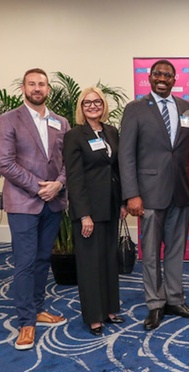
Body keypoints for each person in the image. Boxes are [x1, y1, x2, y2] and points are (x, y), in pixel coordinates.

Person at [119, 59, 189, 331]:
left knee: (177, 250)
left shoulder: (188, 108)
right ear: (150, 78)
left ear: (175, 79)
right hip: (148, 194)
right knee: (151, 252)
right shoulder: (136, 109)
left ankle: (175, 299)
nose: (162, 78)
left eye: (167, 74)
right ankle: (155, 304)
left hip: (181, 191)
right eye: (157, 74)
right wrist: (131, 194)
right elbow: (126, 154)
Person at [0, 68, 69, 350]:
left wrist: (58, 183)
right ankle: (26, 322)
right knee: (25, 263)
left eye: (42, 84)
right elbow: (4, 162)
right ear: (24, 88)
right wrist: (38, 186)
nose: (37, 88)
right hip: (23, 202)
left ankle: (38, 308)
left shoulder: (60, 122)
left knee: (42, 260)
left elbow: (68, 161)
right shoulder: (8, 120)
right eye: (32, 84)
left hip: (53, 201)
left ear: (48, 89)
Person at [63, 87, 128, 336]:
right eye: (87, 102)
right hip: (89, 210)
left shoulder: (111, 131)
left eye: (97, 101)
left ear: (103, 105)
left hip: (111, 206)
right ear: (81, 107)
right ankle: (94, 317)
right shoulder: (75, 136)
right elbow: (74, 178)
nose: (92, 106)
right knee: (90, 264)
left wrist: (122, 202)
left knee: (108, 260)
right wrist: (83, 215)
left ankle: (111, 308)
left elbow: (116, 169)